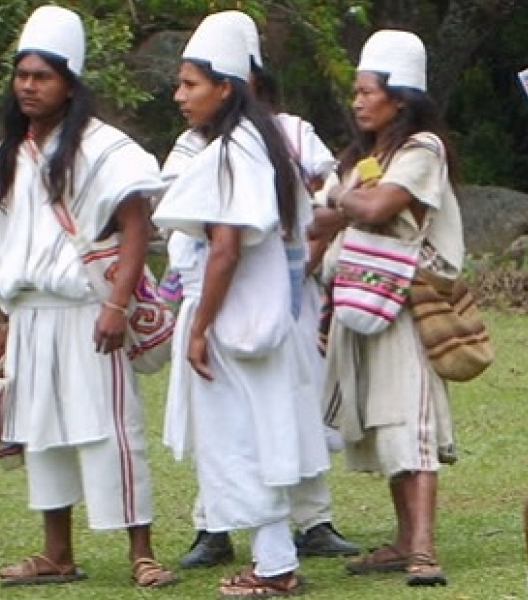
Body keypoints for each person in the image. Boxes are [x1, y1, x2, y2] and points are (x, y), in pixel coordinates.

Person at [0, 5, 177, 588]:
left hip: (87, 311)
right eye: (22, 75)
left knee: (111, 427)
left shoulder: (105, 148)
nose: (27, 85)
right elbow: (1, 243)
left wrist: (115, 306)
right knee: (42, 430)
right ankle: (56, 553)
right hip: (31, 314)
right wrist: (3, 321)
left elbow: (133, 227)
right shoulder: (10, 154)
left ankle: (141, 553)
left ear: (69, 83)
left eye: (42, 75)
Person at [169, 11, 359, 570]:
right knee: (263, 433)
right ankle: (273, 560)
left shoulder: (236, 151)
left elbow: (225, 247)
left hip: (238, 320)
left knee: (241, 436)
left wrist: (200, 327)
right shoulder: (258, 144)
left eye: (190, 84)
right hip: (266, 315)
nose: (180, 95)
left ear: (225, 87)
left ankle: (276, 567)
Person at [315, 29, 464, 587]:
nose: (356, 102)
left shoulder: (422, 149)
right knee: (382, 423)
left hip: (404, 304)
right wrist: (347, 203)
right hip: (358, 297)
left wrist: (343, 201)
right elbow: (323, 217)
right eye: (355, 93)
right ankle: (402, 540)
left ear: (399, 98)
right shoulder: (361, 156)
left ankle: (424, 547)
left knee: (412, 423)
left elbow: (373, 204)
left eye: (367, 92)